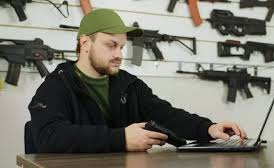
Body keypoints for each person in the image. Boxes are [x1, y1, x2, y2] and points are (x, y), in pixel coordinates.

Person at [28, 8, 247, 153]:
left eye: (121, 47)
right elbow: (49, 137)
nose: (119, 55)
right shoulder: (56, 85)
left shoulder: (129, 84)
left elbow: (166, 116)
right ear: (85, 44)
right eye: (111, 45)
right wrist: (121, 138)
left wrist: (208, 128)